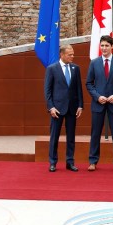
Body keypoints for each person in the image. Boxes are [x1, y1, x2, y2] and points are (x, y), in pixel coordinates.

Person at [86, 35, 113, 172]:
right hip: (98, 104)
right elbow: (89, 83)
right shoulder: (94, 63)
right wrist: (97, 97)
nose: (104, 48)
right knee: (95, 133)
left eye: (106, 46)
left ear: (112, 47)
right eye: (102, 45)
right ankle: (92, 161)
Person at [44, 44, 84, 172]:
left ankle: (70, 162)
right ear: (61, 55)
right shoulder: (52, 69)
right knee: (54, 136)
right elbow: (47, 91)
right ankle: (52, 162)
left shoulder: (75, 68)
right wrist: (51, 107)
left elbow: (79, 88)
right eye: (69, 54)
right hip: (57, 109)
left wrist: (80, 105)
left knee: (71, 136)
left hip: (72, 108)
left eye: (73, 54)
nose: (72, 56)